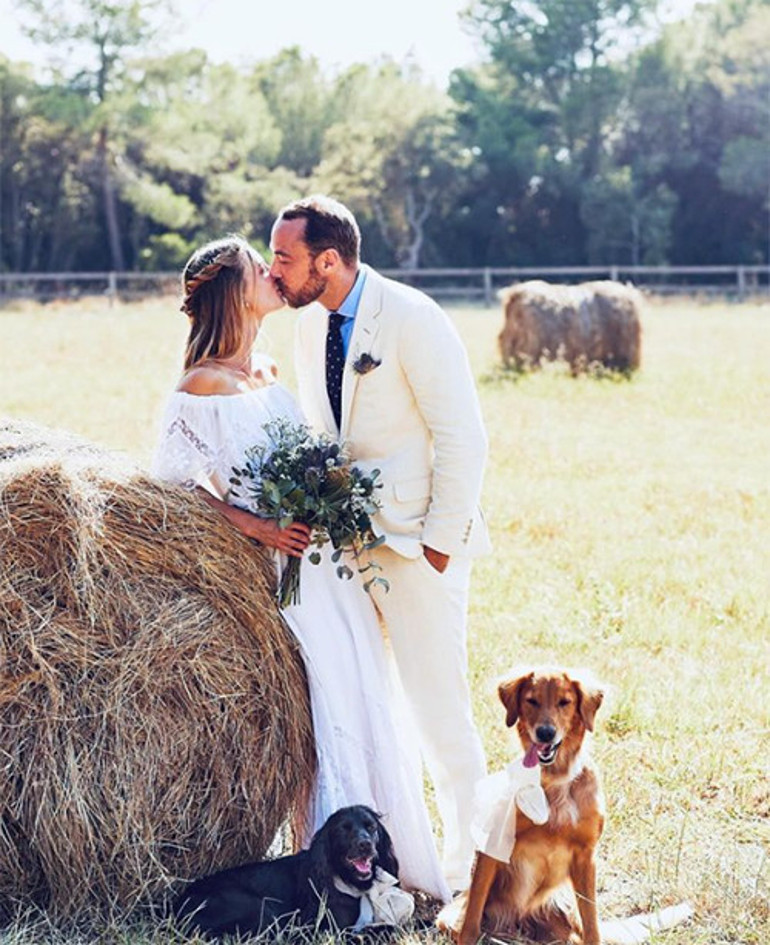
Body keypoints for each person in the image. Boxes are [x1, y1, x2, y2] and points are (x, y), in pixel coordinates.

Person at [152, 234, 450, 903]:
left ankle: (389, 864)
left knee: (368, 689)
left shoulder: (268, 369)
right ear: (235, 290)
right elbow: (172, 484)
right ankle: (334, 881)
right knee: (330, 701)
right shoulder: (201, 385)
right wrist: (256, 525)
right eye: (262, 269)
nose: (273, 274)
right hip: (281, 572)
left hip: (328, 566)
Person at [269, 195, 490, 892]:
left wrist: (441, 544)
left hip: (417, 547)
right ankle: (387, 862)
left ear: (327, 261)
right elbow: (325, 431)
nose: (276, 271)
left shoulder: (414, 319)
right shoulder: (310, 327)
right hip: (344, 553)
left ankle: (470, 877)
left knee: (440, 714)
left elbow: (463, 435)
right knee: (367, 704)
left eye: (285, 257)